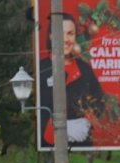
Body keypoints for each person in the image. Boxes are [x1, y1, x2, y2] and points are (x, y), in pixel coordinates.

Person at [39, 13, 105, 147]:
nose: (65, 39)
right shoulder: (41, 69)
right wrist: (57, 129)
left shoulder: (85, 69)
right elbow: (36, 109)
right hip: (50, 145)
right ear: (51, 36)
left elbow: (100, 99)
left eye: (70, 33)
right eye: (60, 33)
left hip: (82, 144)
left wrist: (87, 121)